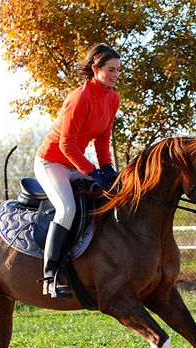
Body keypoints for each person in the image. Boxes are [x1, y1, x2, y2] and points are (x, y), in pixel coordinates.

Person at [34, 43, 121, 298]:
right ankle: (50, 276)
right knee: (67, 209)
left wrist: (107, 169)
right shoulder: (79, 98)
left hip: (74, 164)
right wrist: (92, 170)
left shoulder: (112, 98)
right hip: (51, 162)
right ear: (95, 68)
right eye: (111, 70)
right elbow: (66, 144)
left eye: (118, 70)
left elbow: (103, 140)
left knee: (108, 198)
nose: (116, 75)